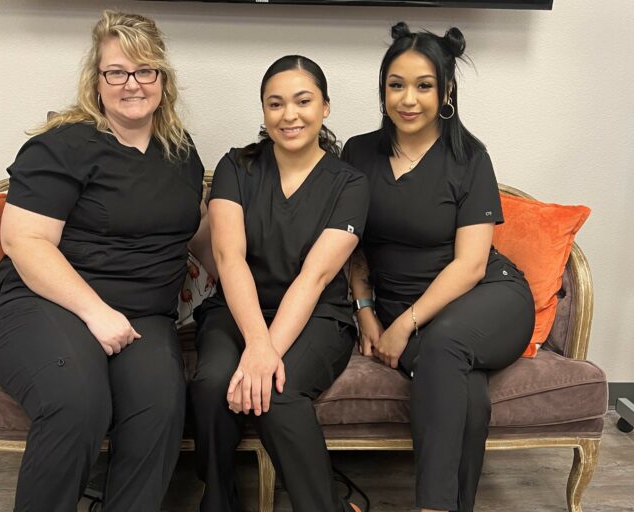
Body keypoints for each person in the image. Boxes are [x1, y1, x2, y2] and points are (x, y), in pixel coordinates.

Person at [0, 11, 214, 512]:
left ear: (162, 79)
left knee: (161, 406)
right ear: (97, 80)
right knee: (77, 403)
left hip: (144, 316)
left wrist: (258, 286)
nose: (132, 83)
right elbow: (25, 241)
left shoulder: (180, 150)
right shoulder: (61, 146)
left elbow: (195, 231)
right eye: (117, 72)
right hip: (44, 304)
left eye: (145, 70)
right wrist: (96, 313)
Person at [343, 22, 536, 512]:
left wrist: (403, 325)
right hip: (410, 307)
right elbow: (351, 244)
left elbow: (471, 265)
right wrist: (367, 311)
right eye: (396, 84)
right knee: (467, 393)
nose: (409, 99)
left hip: (489, 297)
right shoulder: (359, 152)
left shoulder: (470, 157)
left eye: (424, 86)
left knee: (446, 342)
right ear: (383, 88)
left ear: (446, 90)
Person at [190, 55, 369, 512]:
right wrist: (256, 341)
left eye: (303, 101)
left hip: (318, 316)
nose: (289, 115)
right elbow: (229, 260)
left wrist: (265, 353)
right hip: (236, 306)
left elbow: (316, 277)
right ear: (264, 111)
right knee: (212, 383)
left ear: (325, 107)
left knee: (278, 392)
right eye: (275, 104)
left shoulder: (349, 184)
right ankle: (219, 496)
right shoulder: (236, 166)